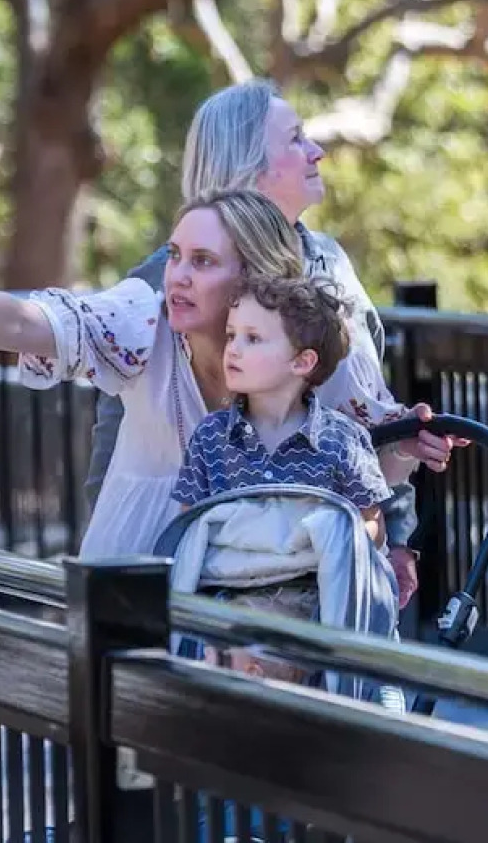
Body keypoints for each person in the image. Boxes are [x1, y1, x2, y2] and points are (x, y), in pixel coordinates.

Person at [0, 189, 445, 564]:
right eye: (174, 256)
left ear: (254, 278)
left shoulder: (311, 350)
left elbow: (373, 462)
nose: (177, 277)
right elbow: (22, 321)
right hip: (140, 575)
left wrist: (409, 447)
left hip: (268, 597)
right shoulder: (144, 323)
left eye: (202, 261)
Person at [85, 79, 453, 604]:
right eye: (297, 139)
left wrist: (396, 533)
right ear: (250, 165)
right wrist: (110, 588)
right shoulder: (162, 285)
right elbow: (115, 448)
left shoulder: (332, 265)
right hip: (197, 573)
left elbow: (367, 416)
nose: (317, 151)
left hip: (327, 568)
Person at [172, 273, 393, 684]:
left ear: (302, 361)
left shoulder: (341, 439)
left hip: (311, 599)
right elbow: (191, 528)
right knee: (228, 650)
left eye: (252, 339)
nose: (232, 349)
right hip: (230, 595)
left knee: (299, 649)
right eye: (232, 335)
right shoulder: (212, 437)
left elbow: (371, 529)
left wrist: (315, 535)